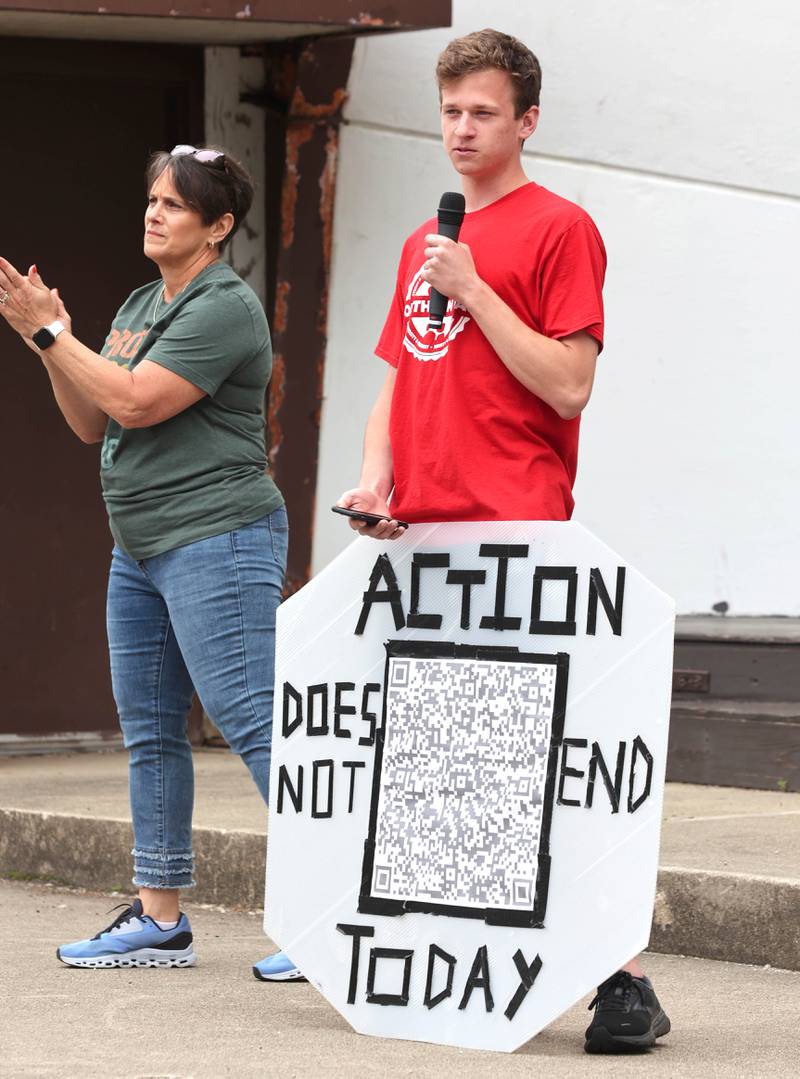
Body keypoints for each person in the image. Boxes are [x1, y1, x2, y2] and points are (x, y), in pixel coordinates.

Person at [259, 28, 673, 1053]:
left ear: (525, 119)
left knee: (534, 758)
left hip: (517, 527)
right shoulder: (419, 243)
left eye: (481, 111)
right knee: (437, 764)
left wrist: (479, 286)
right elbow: (401, 378)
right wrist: (374, 478)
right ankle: (454, 961)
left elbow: (568, 382)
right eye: (449, 110)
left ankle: (622, 977)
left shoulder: (556, 229)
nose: (459, 128)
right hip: (422, 533)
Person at [0, 144, 287, 976]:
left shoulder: (224, 306)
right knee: (151, 730)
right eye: (153, 198)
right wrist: (51, 344)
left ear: (219, 226)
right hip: (142, 547)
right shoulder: (138, 303)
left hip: (219, 537)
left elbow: (133, 398)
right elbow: (95, 422)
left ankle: (334, 914)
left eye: (175, 203)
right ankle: (159, 916)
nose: (154, 212)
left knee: (255, 722)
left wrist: (52, 330)